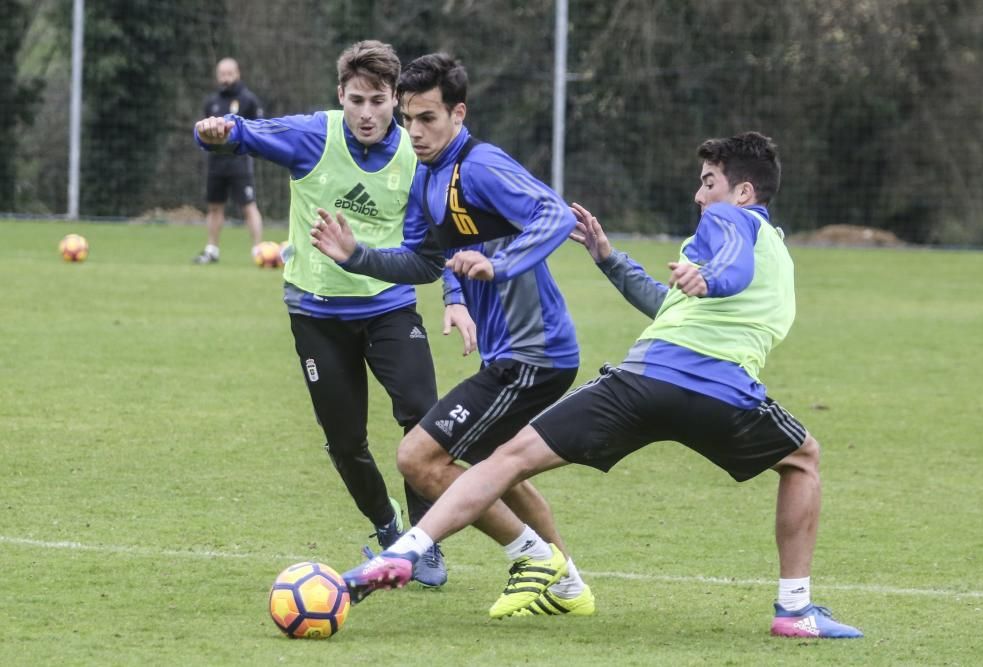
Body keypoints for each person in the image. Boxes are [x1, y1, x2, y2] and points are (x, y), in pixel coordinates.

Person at [337, 131, 864, 638]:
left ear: (744, 192)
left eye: (708, 182)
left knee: (508, 458)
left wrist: (711, 276)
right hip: (716, 393)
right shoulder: (772, 256)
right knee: (802, 460)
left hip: (640, 382)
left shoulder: (730, 223)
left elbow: (729, 259)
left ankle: (405, 551)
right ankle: (795, 610)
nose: (699, 195)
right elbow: (674, 306)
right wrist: (611, 260)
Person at [310, 53, 594, 618]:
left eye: (428, 119)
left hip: (533, 353)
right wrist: (358, 255)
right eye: (409, 119)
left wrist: (501, 263)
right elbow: (422, 262)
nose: (414, 131)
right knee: (500, 469)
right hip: (512, 353)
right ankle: (568, 588)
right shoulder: (427, 178)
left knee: (418, 458)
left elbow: (555, 215)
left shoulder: (482, 166)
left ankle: (533, 558)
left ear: (458, 114)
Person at [192, 41, 446, 586]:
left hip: (390, 309)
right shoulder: (316, 135)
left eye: (379, 101)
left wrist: (457, 299)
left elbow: (437, 246)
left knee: (424, 422)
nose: (367, 113)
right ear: (341, 96)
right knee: (346, 441)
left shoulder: (416, 154)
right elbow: (248, 136)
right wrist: (214, 133)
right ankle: (386, 527)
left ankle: (421, 546)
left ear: (395, 100)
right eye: (356, 100)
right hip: (316, 313)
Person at [193, 57, 265, 264]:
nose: (225, 78)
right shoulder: (211, 102)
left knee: (248, 206)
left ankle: (258, 250)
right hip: (216, 164)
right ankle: (212, 250)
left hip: (240, 164)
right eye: (222, 74)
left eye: (229, 73)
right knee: (215, 207)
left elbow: (260, 128)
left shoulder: (249, 100)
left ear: (237, 73)